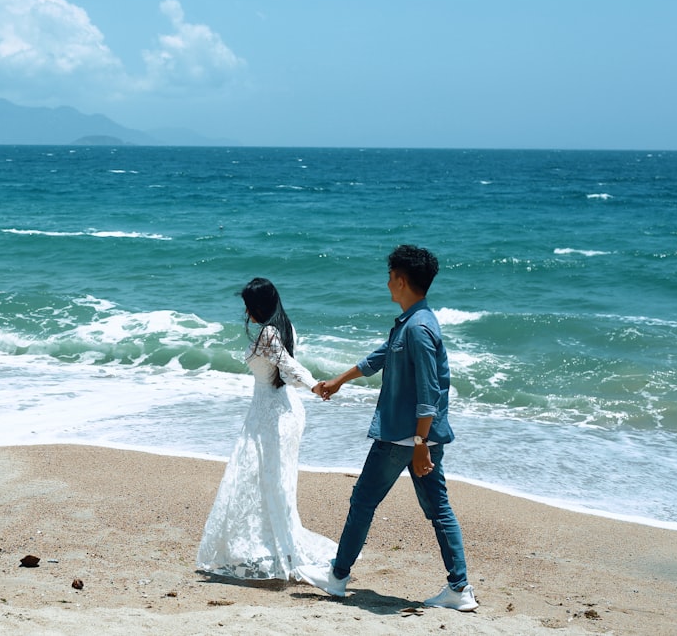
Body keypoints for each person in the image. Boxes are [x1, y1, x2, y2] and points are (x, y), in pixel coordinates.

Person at [296, 245, 478, 611]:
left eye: (390, 276)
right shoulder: (412, 323)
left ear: (401, 279)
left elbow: (429, 394)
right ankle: (459, 589)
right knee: (438, 509)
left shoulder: (419, 329)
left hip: (404, 435)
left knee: (364, 501)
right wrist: (340, 380)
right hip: (415, 436)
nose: (387, 283)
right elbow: (378, 357)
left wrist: (420, 443)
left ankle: (337, 577)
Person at [196, 277, 335, 581]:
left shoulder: (270, 333)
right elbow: (286, 372)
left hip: (272, 415)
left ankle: (277, 550)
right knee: (271, 482)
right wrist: (311, 386)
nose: (246, 312)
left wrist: (316, 386)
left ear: (258, 305)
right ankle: (272, 547)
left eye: (248, 305)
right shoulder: (284, 326)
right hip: (277, 411)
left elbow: (289, 367)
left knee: (265, 481)